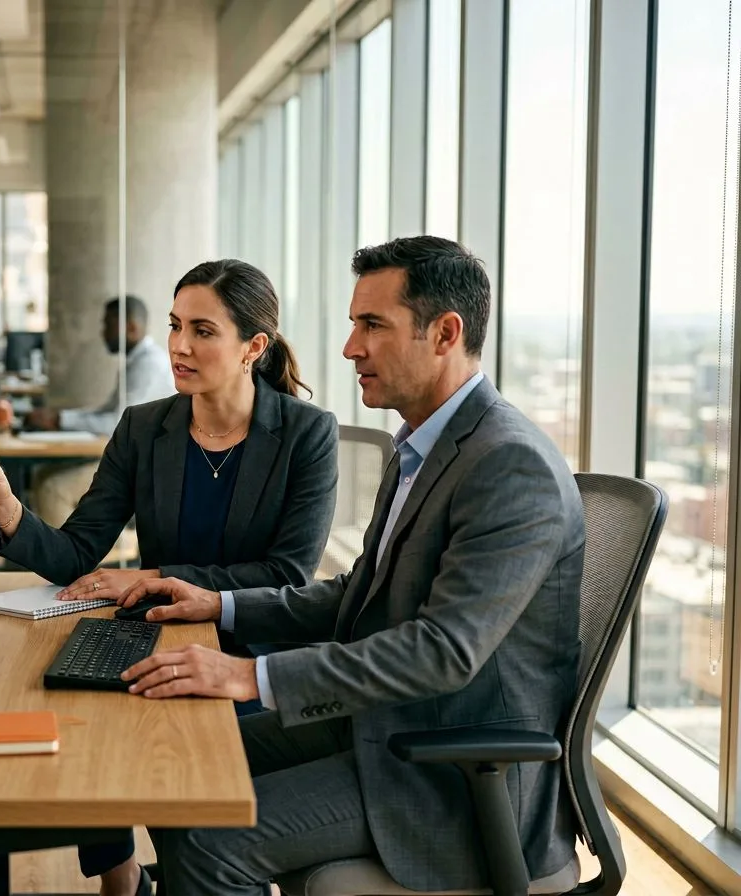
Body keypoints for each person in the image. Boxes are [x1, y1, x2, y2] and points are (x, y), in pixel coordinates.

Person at [118, 236, 584, 895]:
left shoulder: (509, 465)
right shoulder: (426, 446)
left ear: (445, 333)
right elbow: (357, 596)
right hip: (383, 725)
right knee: (183, 766)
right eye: (352, 324)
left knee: (206, 837)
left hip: (448, 775)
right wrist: (217, 604)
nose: (349, 348)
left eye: (373, 326)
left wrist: (252, 674)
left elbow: (442, 651)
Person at [0, 259, 340, 896]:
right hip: (159, 635)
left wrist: (154, 573)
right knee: (74, 713)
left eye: (203, 331)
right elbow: (80, 553)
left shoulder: (305, 434)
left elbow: (286, 573)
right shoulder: (145, 427)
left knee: (163, 762)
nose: (179, 346)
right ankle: (122, 877)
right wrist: (6, 509)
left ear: (254, 347)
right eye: (175, 325)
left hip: (254, 647)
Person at [23, 295, 175, 525]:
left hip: (143, 469)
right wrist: (59, 418)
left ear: (131, 328)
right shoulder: (137, 361)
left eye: (108, 324)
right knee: (43, 473)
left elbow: (117, 423)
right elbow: (106, 411)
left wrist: (60, 420)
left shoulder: (149, 365)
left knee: (52, 488)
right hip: (131, 458)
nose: (103, 332)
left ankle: (87, 556)